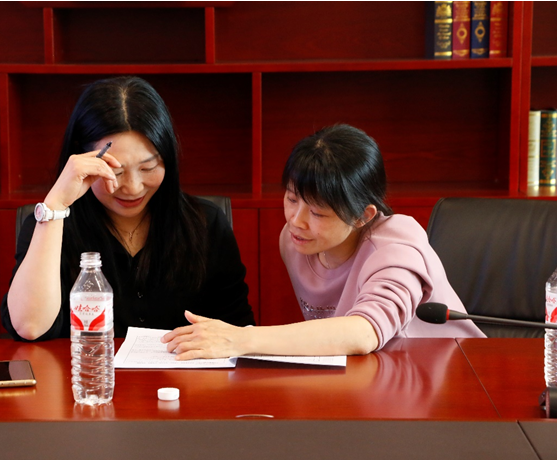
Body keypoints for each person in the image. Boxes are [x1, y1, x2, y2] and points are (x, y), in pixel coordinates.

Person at [162, 124, 485, 359]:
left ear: (362, 215)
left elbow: (363, 332)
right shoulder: (294, 242)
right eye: (292, 199)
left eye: (318, 212)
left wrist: (241, 339)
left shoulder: (397, 244)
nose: (296, 220)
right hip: (376, 374)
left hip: (453, 376)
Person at [1, 76, 255, 341]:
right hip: (85, 367)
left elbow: (238, 329)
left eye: (148, 168)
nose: (133, 188)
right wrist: (55, 206)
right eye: (115, 171)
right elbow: (29, 327)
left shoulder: (206, 223)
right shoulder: (49, 226)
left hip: (183, 369)